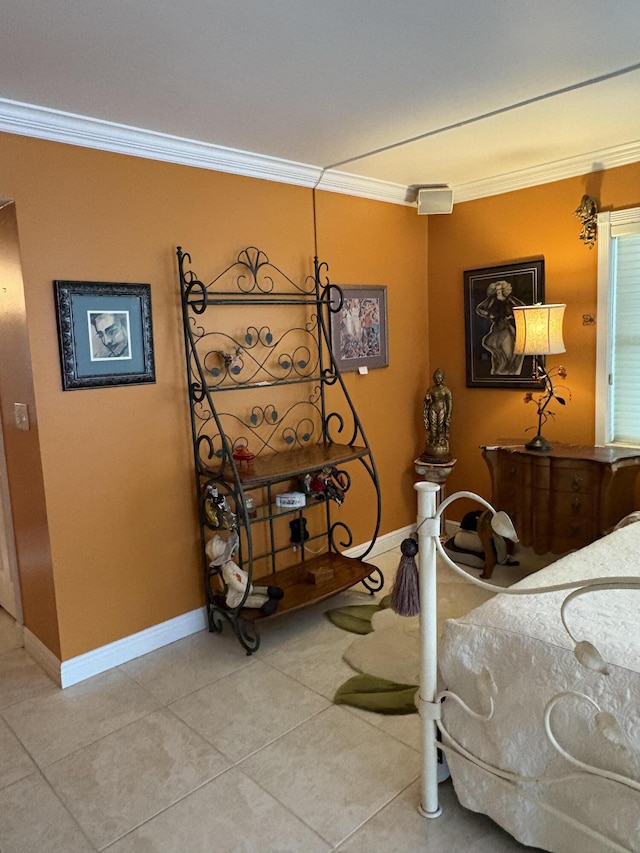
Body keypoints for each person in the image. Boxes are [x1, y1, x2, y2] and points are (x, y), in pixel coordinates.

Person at [475, 280, 524, 376]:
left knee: (511, 349)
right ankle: (499, 369)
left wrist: (513, 315)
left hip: (507, 327)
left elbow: (522, 307)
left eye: (500, 289)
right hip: (498, 326)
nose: (498, 291)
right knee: (496, 347)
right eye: (496, 290)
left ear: (504, 290)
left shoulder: (509, 299)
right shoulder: (492, 299)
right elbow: (480, 308)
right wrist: (489, 314)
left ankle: (509, 370)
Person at [421, 367, 452, 462]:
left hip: (441, 408)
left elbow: (449, 403)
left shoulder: (446, 390)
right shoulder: (431, 390)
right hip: (433, 408)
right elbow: (427, 402)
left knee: (440, 425)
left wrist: (448, 415)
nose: (437, 380)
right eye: (435, 378)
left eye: (439, 378)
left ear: (442, 378)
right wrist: (427, 400)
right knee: (432, 425)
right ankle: (433, 439)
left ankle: (440, 440)